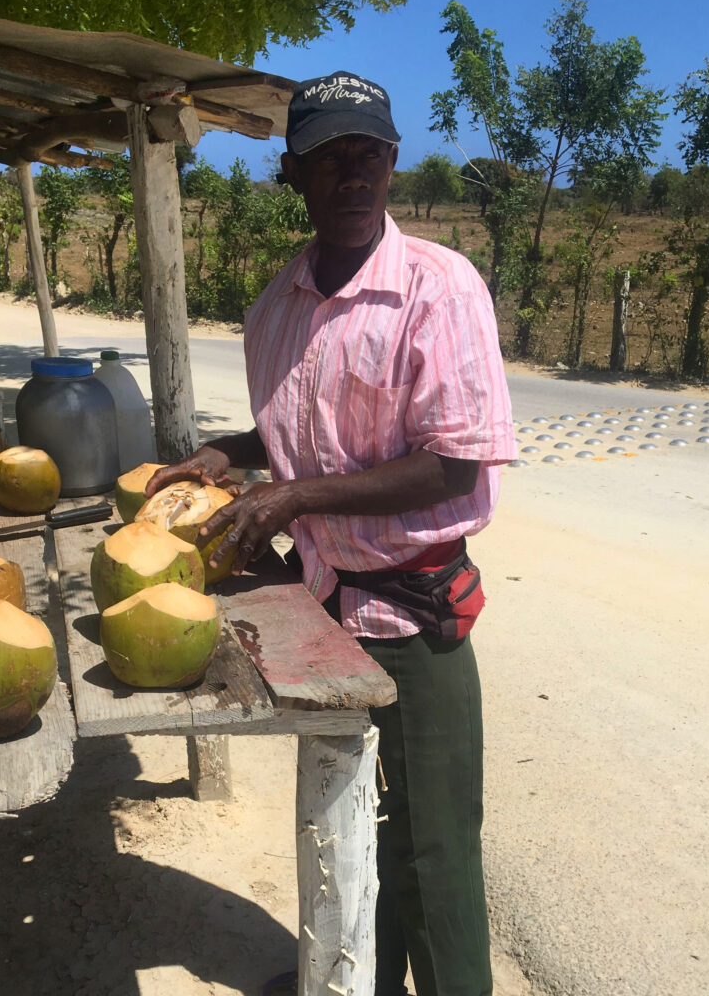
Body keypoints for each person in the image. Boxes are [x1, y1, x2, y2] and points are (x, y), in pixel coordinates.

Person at [146, 71, 517, 996]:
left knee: (434, 852)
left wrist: (296, 498)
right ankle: (353, 981)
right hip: (319, 616)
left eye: (370, 153)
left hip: (417, 616)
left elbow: (455, 465)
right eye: (328, 156)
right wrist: (228, 455)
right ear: (293, 174)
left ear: (393, 165)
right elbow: (290, 429)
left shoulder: (439, 287)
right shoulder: (274, 309)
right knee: (344, 821)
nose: (353, 173)